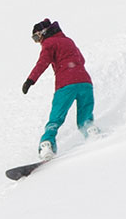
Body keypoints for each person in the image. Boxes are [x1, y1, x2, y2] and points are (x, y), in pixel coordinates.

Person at [22, 17, 95, 159]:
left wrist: (30, 80)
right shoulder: (68, 40)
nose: (38, 42)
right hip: (85, 82)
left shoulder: (49, 43)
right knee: (85, 117)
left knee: (56, 117)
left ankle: (46, 144)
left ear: (43, 33)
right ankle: (91, 132)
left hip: (66, 84)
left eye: (36, 37)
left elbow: (42, 63)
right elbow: (82, 59)